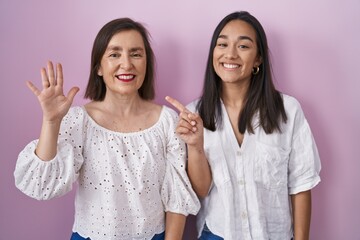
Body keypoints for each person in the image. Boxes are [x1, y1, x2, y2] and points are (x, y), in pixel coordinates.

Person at [14, 18, 200, 240]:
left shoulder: (168, 122)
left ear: (146, 63)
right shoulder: (79, 121)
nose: (126, 63)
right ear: (99, 68)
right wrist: (51, 122)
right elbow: (41, 185)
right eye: (114, 54)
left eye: (136, 54)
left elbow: (176, 199)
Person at [166, 11, 321, 240]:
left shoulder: (287, 110)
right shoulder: (195, 114)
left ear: (258, 59)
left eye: (243, 46)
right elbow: (201, 190)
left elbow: (300, 185)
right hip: (217, 233)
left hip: (274, 234)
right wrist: (196, 146)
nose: (230, 54)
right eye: (222, 44)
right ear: (213, 53)